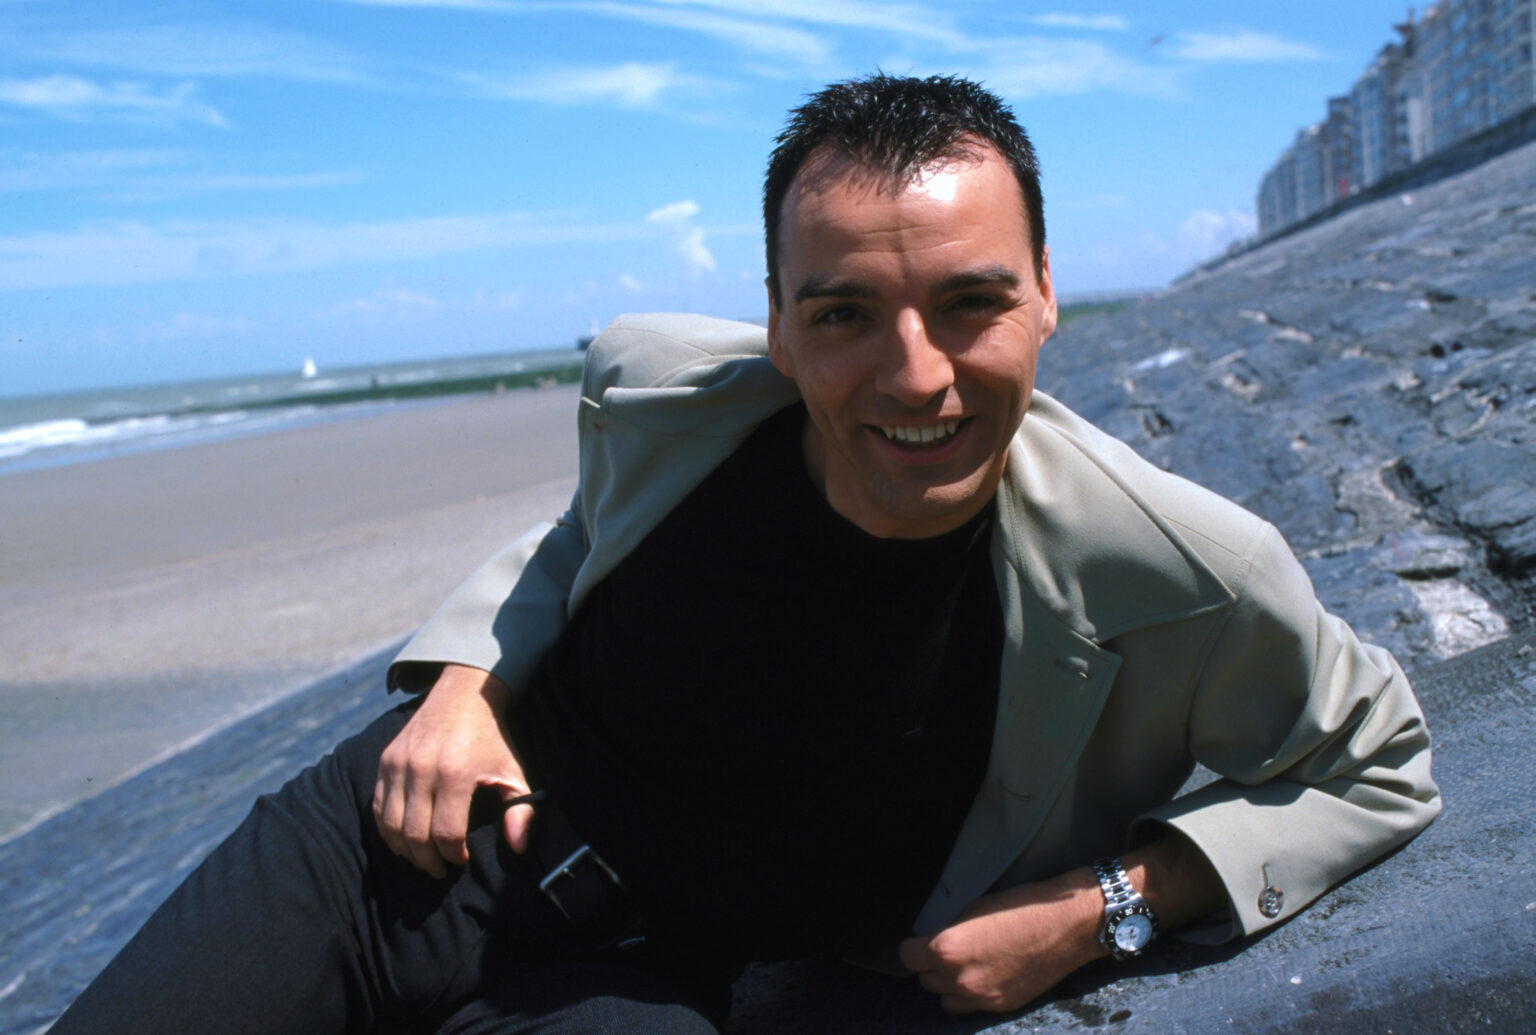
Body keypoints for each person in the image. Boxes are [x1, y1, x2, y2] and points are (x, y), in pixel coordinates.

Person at [55, 73, 1439, 1034]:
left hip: (650, 989)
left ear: (1045, 298)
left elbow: (1378, 765)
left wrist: (1108, 907)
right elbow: (586, 531)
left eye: (969, 303)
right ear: (775, 324)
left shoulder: (1173, 566)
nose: (915, 375)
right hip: (382, 859)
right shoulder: (667, 397)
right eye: (843, 315)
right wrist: (466, 682)